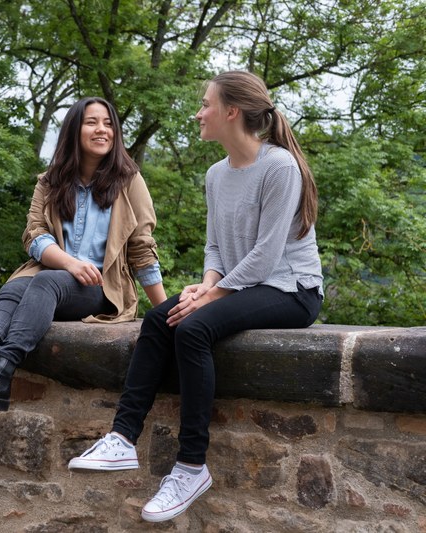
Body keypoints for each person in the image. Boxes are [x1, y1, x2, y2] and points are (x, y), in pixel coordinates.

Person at [68, 70, 324, 523]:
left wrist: (209, 298)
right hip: (243, 283)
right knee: (158, 320)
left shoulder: (279, 167)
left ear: (231, 112)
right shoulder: (215, 174)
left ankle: (190, 467)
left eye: (205, 104)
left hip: (292, 289)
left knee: (193, 328)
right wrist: (207, 284)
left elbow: (265, 258)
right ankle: (123, 439)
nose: (198, 112)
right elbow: (216, 248)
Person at [0, 96, 167, 412]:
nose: (102, 130)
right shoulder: (50, 181)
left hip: (101, 287)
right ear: (74, 130)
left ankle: (3, 372)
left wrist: (166, 313)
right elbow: (34, 236)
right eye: (91, 122)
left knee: (46, 282)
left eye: (108, 123)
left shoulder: (129, 181)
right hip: (51, 276)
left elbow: (143, 249)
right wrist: (70, 263)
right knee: (16, 285)